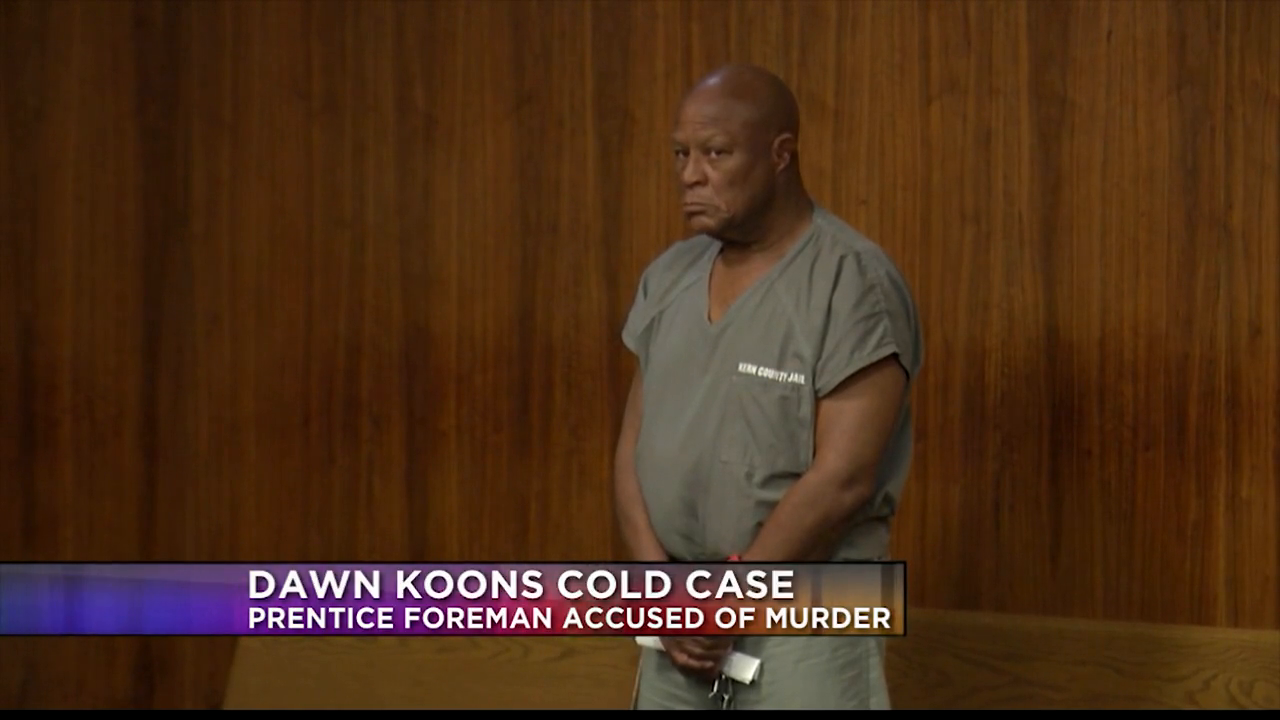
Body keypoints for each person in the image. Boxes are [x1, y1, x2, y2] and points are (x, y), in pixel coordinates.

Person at [613, 64, 924, 710]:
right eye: (681, 154)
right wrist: (658, 590)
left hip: (812, 610)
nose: (690, 174)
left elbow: (843, 480)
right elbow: (631, 449)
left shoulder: (852, 282)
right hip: (681, 615)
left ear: (781, 155)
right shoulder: (668, 277)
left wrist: (731, 600)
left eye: (715, 153)